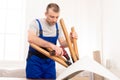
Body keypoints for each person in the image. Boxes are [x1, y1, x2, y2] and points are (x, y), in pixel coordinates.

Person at [26, 3, 77, 79]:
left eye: (57, 17)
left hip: (50, 61)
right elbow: (31, 38)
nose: (55, 20)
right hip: (35, 61)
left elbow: (63, 43)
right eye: (52, 17)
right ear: (46, 14)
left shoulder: (58, 26)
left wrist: (71, 39)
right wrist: (51, 45)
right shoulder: (36, 23)